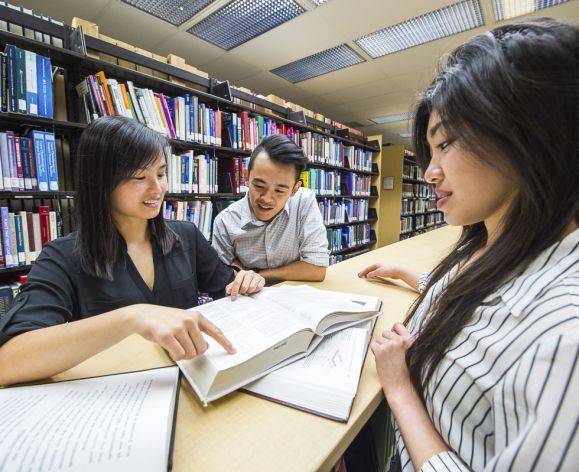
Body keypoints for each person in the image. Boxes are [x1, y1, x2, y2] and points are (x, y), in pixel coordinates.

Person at [358, 18, 578, 471]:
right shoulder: (495, 238)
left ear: (528, 135)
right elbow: (484, 305)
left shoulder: (566, 338)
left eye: (446, 144)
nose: (429, 173)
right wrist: (413, 278)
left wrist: (400, 389)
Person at [0, 115, 265, 386]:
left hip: (191, 382)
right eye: (139, 177)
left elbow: (229, 288)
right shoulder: (62, 257)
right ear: (101, 182)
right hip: (118, 396)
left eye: (161, 174)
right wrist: (131, 318)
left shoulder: (186, 236)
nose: (157, 188)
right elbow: (7, 363)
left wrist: (246, 279)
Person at [212, 134, 329, 284]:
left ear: (295, 189)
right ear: (246, 177)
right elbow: (225, 275)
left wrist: (256, 274)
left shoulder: (304, 202)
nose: (266, 199)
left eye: (279, 191)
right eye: (259, 186)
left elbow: (317, 269)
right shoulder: (225, 221)